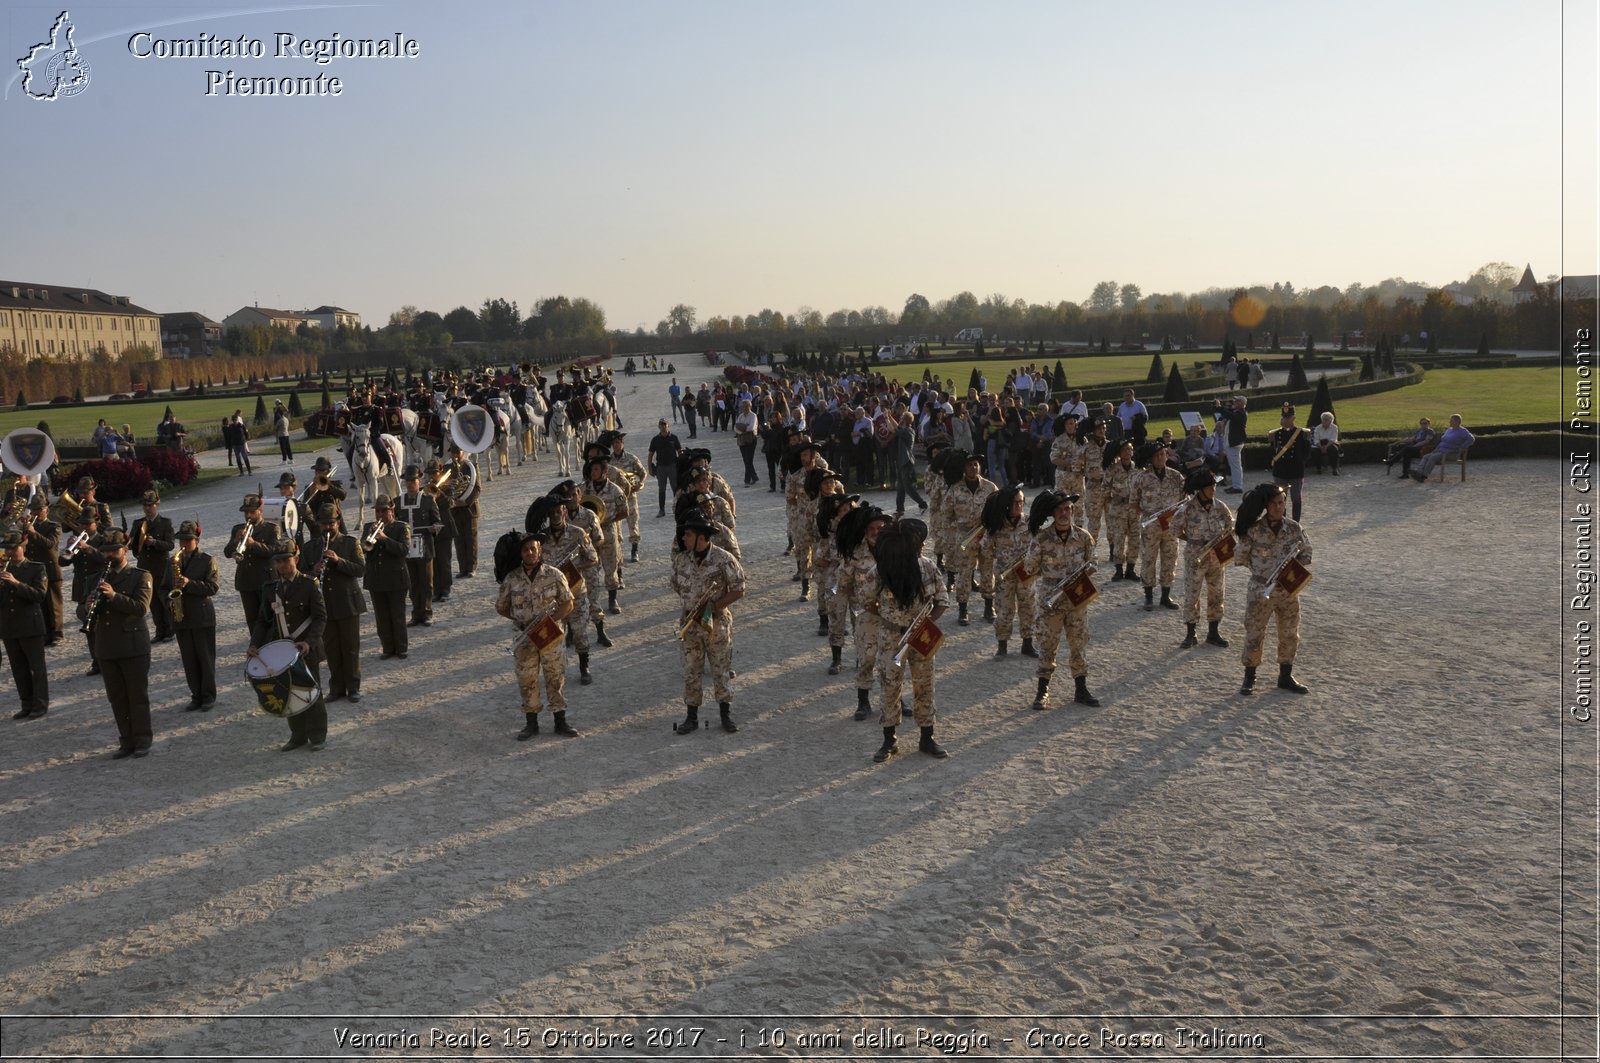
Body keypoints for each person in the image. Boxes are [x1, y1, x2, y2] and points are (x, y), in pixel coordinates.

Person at [864, 518, 950, 762]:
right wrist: (888, 619)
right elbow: (866, 601)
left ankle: (927, 737)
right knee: (890, 686)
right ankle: (889, 740)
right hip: (891, 636)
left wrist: (927, 621)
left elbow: (942, 600)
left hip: (921, 634)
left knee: (925, 685)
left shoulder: (928, 567)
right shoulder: (880, 571)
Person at [670, 509, 747, 736]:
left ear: (702, 537)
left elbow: (739, 588)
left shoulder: (724, 559)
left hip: (716, 624)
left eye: (689, 535)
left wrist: (714, 606)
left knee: (720, 669)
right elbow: (676, 585)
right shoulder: (681, 561)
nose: (684, 538)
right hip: (690, 623)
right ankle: (691, 717)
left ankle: (726, 715)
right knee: (691, 671)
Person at [249, 540, 329, 751]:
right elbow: (263, 620)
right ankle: (298, 736)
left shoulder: (309, 584)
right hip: (282, 650)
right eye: (279, 562)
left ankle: (318, 735)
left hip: (305, 649)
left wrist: (309, 643)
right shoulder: (270, 588)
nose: (283, 565)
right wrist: (254, 644)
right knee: (288, 692)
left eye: (286, 560)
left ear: (296, 558)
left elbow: (320, 618)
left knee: (312, 691)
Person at [497, 528, 577, 739]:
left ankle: (560, 721)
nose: (530, 553)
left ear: (540, 550)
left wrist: (551, 619)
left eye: (533, 549)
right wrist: (519, 620)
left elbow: (568, 603)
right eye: (525, 550)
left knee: (555, 675)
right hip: (524, 637)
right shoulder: (512, 578)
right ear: (521, 554)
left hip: (549, 634)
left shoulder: (554, 574)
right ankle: (531, 723)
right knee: (527, 678)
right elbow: (501, 606)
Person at [1025, 490, 1100, 710]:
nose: (1064, 513)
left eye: (1068, 508)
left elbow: (1093, 562)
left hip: (1077, 598)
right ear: (1052, 512)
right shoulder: (1041, 539)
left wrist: (1082, 574)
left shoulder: (1084, 537)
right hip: (1051, 599)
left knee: (1079, 643)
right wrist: (1052, 578)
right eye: (1060, 509)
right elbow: (1030, 568)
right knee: (1047, 644)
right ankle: (1042, 691)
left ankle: (1081, 689)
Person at [1234, 483, 1311, 695]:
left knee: (1289, 633)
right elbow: (1239, 557)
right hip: (1260, 589)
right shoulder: (1253, 530)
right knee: (1254, 633)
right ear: (1266, 506)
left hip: (1287, 589)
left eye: (1282, 502)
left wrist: (1299, 563)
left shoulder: (1294, 528)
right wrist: (1260, 569)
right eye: (1275, 503)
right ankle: (1249, 677)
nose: (1280, 507)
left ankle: (1285, 677)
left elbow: (1307, 551)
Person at [88, 529, 154, 758]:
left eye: (114, 550)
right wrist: (86, 607)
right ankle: (126, 741)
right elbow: (80, 611)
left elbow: (140, 608)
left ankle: (143, 739)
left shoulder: (140, 576)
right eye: (106, 551)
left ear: (125, 550)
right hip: (107, 646)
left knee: (137, 696)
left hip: (133, 645)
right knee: (116, 698)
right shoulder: (97, 577)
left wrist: (114, 596)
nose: (109, 555)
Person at [528, 494, 600, 677]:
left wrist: (573, 569)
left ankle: (584, 666)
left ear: (565, 512)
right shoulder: (542, 539)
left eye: (559, 512)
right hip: (552, 596)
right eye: (552, 513)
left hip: (576, 592)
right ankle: (557, 670)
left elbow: (593, 559)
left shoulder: (578, 533)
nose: (555, 516)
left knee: (580, 632)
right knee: (554, 635)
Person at [835, 503, 890, 721]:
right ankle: (863, 701)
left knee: (891, 660)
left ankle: (894, 698)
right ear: (865, 531)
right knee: (867, 657)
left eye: (880, 528)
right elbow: (843, 581)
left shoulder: (893, 549)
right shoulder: (855, 554)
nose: (876, 532)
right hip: (866, 613)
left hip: (892, 614)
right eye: (872, 529)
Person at [1170, 471, 1234, 650]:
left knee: (1216, 593)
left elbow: (1230, 524)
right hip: (1195, 556)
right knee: (1192, 594)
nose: (1214, 489)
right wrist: (1191, 540)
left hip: (1215, 557)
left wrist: (1222, 541)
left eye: (1214, 486)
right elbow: (1174, 528)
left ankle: (1213, 632)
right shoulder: (1188, 508)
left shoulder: (1219, 506)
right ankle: (1191, 633)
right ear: (1200, 490)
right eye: (1210, 487)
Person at [309, 504, 366, 704]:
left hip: (348, 603)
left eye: (330, 523)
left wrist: (338, 561)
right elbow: (302, 575)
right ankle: (337, 688)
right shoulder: (312, 546)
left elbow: (360, 569)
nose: (327, 527)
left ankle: (353, 687)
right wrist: (313, 572)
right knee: (332, 649)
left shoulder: (350, 543)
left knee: (350, 648)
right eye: (323, 524)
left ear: (338, 522)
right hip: (326, 605)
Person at [169, 520, 219, 712]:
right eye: (181, 540)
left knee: (205, 658)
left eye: (188, 540)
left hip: (202, 616)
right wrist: (170, 602)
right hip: (181, 617)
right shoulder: (172, 561)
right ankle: (196, 695)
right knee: (189, 659)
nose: (184, 544)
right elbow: (165, 587)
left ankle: (208, 696)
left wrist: (189, 583)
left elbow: (213, 587)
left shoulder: (207, 560)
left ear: (196, 541)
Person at [982, 485, 1036, 659]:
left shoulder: (1030, 523)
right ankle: (1002, 645)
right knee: (1004, 610)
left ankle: (1027, 643)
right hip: (1004, 576)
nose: (1019, 506)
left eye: (1021, 502)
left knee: (1028, 608)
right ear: (1006, 505)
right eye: (1015, 503)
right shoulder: (996, 525)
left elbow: (1041, 546)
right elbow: (986, 551)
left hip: (1026, 575)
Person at [1, 529, 50, 721]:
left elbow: (39, 595)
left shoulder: (36, 568)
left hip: (30, 625)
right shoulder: (3, 568)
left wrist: (15, 583)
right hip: (9, 627)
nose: (10, 552)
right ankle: (26, 704)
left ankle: (40, 704)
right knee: (18, 669)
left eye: (13, 548)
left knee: (36, 668)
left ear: (23, 547)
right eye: (7, 549)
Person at [943, 454, 997, 626]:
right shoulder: (955, 489)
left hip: (986, 537)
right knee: (965, 573)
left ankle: (989, 606)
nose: (973, 468)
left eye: (976, 464)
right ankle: (963, 609)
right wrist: (958, 527)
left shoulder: (990, 487)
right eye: (970, 465)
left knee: (987, 570)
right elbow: (946, 512)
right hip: (965, 537)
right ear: (964, 468)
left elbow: (999, 509)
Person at [1134, 443, 1184, 611]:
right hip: (1151, 526)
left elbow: (1185, 499)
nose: (1160, 458)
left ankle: (1165, 595)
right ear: (1151, 458)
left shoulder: (1176, 477)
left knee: (1170, 559)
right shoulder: (1142, 477)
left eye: (1163, 454)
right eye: (1157, 455)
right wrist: (1148, 514)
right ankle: (1148, 596)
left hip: (1170, 526)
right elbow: (1133, 502)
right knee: (1148, 559)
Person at [361, 494, 411, 659]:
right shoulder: (369, 526)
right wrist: (371, 538)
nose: (380, 514)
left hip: (396, 579)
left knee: (397, 615)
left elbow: (403, 550)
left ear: (392, 510)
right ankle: (387, 648)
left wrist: (384, 538)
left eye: (384, 511)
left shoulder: (401, 527)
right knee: (382, 617)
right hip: (376, 578)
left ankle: (401, 648)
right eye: (378, 511)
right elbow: (363, 549)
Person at [224, 494, 280, 628]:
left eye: (252, 512)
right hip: (246, 580)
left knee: (269, 618)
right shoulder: (237, 529)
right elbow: (227, 553)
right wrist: (235, 541)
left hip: (265, 579)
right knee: (252, 620)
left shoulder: (271, 529)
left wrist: (253, 544)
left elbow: (274, 552)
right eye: (246, 512)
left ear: (260, 510)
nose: (248, 515)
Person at [129, 489, 176, 642]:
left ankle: (170, 629)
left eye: (150, 505)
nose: (147, 508)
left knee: (164, 599)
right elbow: (133, 545)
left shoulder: (165, 523)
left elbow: (170, 545)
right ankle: (159, 630)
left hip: (161, 567)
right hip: (144, 567)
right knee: (152, 601)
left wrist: (155, 542)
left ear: (157, 504)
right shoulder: (138, 523)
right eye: (145, 505)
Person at [396, 465, 440, 627]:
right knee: (412, 583)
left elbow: (437, 521)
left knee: (426, 582)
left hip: (425, 547)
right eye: (407, 481)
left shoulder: (428, 500)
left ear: (418, 480)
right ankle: (416, 613)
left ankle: (427, 612)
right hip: (407, 548)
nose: (410, 484)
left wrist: (434, 527)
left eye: (412, 480)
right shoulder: (398, 502)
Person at [583, 456, 628, 615]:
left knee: (610, 568)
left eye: (596, 469)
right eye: (592, 469)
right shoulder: (584, 489)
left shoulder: (615, 490)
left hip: (608, 532)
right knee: (591, 569)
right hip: (590, 535)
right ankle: (592, 602)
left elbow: (624, 512)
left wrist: (608, 521)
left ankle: (612, 599)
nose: (593, 472)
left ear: (604, 472)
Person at [21, 494, 64, 643]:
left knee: (54, 604)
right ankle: (46, 633)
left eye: (40, 509)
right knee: (41, 604)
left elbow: (49, 544)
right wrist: (23, 532)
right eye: (34, 510)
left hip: (50, 569)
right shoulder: (28, 527)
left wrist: (33, 532)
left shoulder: (54, 526)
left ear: (47, 510)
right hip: (35, 571)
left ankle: (57, 632)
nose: (36, 513)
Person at [607, 430, 648, 561]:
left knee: (633, 522)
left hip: (629, 496)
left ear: (623, 444)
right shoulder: (608, 461)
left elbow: (643, 473)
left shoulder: (631, 458)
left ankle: (634, 550)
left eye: (618, 443)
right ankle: (618, 551)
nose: (616, 445)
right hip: (615, 499)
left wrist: (638, 484)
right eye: (614, 443)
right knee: (616, 525)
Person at [1268, 403, 1311, 522]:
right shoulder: (1275, 434)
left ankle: (1296, 523)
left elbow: (1307, 453)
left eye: (1288, 417)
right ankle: (1283, 521)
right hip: (1280, 471)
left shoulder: (1302, 433)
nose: (1285, 420)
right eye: (1284, 417)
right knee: (1280, 499)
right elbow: (1272, 451)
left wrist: (1299, 462)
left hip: (1296, 470)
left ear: (1293, 418)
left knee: (1296, 498)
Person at [444, 443, 481, 578]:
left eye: (457, 453)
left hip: (469, 508)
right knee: (458, 540)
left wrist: (466, 501)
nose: (455, 455)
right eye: (453, 453)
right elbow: (443, 488)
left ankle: (471, 567)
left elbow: (477, 489)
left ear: (462, 452)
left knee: (470, 538)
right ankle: (462, 568)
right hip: (454, 509)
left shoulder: (472, 466)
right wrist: (451, 499)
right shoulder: (447, 468)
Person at [1411, 415, 1475, 481]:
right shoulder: (1449, 430)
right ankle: (1419, 473)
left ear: (1457, 421)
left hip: (1451, 453)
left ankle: (1423, 476)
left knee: (1433, 457)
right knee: (1426, 456)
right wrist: (1435, 450)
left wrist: (1462, 447)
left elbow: (1471, 439)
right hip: (1441, 451)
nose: (1449, 422)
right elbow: (1442, 441)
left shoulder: (1462, 431)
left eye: (1451, 420)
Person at [892, 411, 928, 516]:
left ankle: (922, 504)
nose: (900, 418)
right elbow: (896, 427)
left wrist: (887, 418)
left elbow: (893, 429)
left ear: (905, 420)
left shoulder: (908, 431)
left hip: (906, 461)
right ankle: (900, 510)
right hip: (901, 461)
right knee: (900, 487)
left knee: (907, 487)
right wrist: (888, 416)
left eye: (902, 417)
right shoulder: (904, 430)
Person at [648, 418, 684, 516]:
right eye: (661, 425)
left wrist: (681, 464)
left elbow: (679, 451)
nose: (663, 426)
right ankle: (661, 510)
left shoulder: (674, 438)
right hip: (661, 468)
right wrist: (650, 468)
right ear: (659, 426)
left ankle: (678, 508)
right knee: (661, 489)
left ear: (668, 426)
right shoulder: (655, 439)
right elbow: (651, 454)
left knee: (675, 488)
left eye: (665, 424)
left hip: (672, 466)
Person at [1222, 396, 1248, 493]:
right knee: (1234, 465)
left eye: (1236, 401)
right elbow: (1228, 412)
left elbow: (1229, 415)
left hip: (1234, 443)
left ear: (1241, 403)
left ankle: (1237, 487)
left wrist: (1220, 408)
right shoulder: (1237, 411)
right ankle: (1235, 485)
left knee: (1235, 466)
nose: (1234, 402)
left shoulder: (1241, 413)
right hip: (1232, 443)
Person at [734, 400, 761, 486]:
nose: (745, 408)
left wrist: (741, 427)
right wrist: (742, 430)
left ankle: (747, 480)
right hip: (742, 439)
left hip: (751, 439)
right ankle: (754, 476)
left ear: (750, 406)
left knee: (749, 459)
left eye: (746, 406)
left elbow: (751, 427)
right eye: (743, 406)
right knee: (746, 460)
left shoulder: (753, 415)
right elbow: (735, 427)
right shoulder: (741, 416)